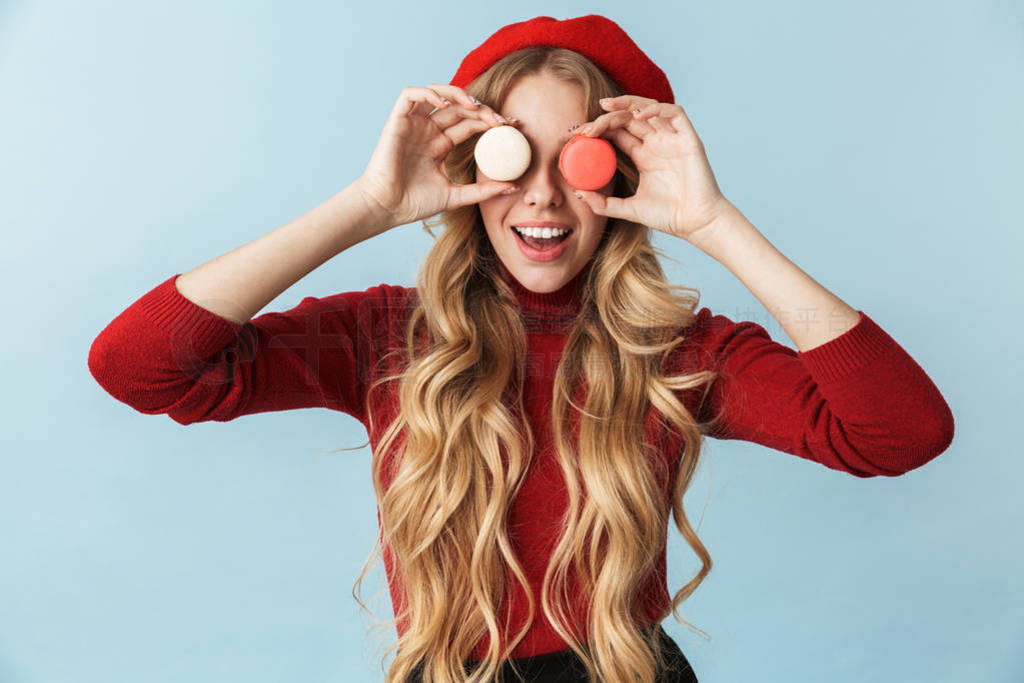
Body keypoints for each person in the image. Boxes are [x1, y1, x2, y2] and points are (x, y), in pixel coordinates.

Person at [87, 14, 954, 683]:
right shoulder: (387, 336)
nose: (540, 196)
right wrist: (366, 204)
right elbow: (138, 366)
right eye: (511, 157)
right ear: (468, 168)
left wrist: (716, 224)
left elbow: (900, 432)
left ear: (616, 177)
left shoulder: (676, 351)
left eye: (574, 161)